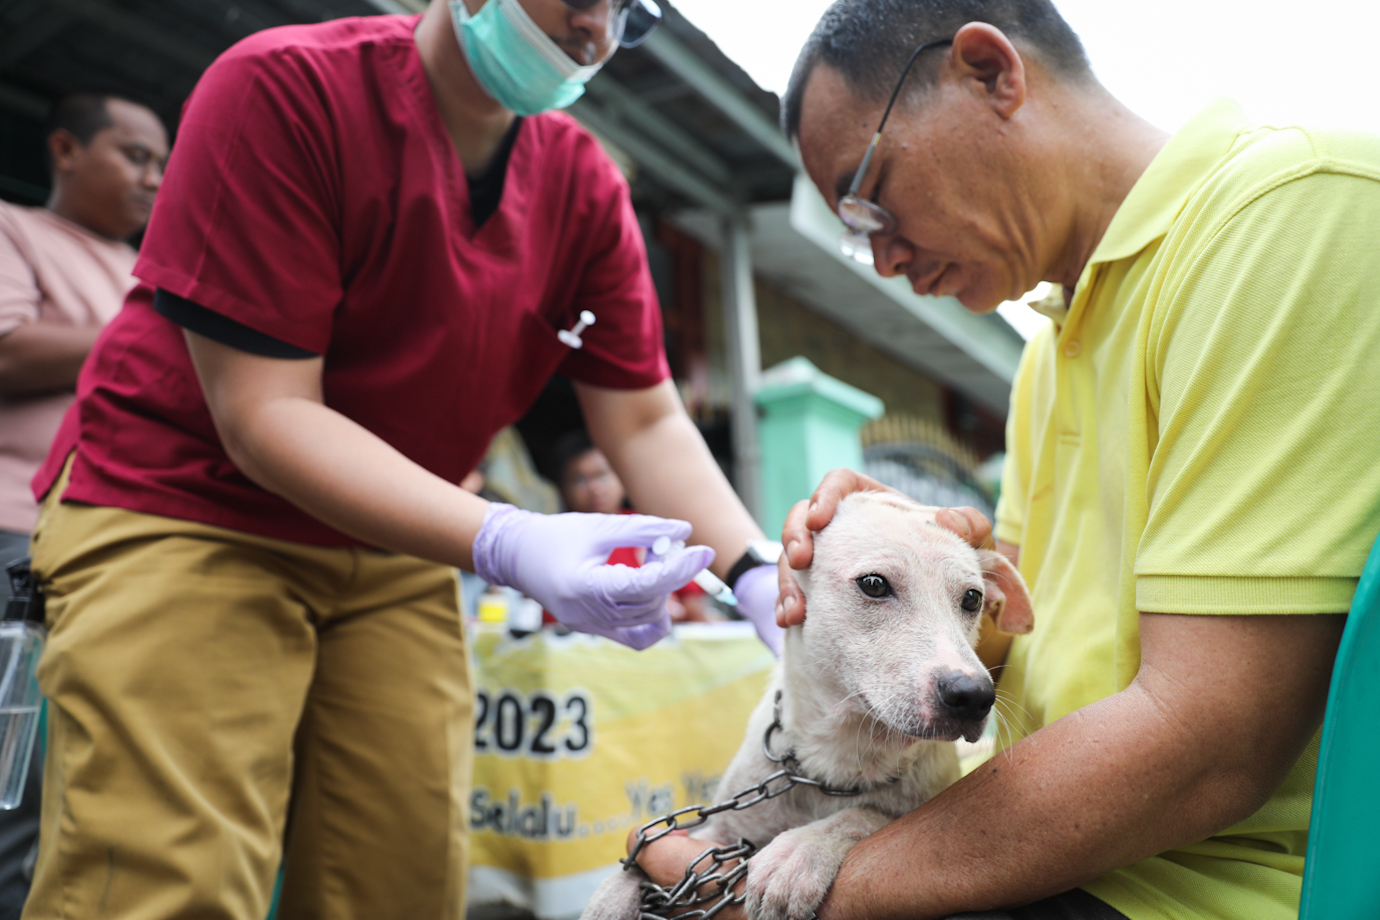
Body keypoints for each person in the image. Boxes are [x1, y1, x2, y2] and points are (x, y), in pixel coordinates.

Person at [20, 2, 783, 919]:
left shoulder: (584, 191)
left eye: (629, 11)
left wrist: (754, 574)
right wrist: (508, 538)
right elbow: (265, 415)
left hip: (396, 548)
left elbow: (645, 417)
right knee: (166, 877)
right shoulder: (286, 89)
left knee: (399, 878)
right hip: (187, 505)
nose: (596, 26)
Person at [628, 1, 1380, 919]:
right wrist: (924, 557)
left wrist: (813, 890)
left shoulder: (1292, 218)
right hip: (1053, 857)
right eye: (854, 233)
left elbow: (1210, 745)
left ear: (989, 72)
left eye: (870, 196)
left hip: (1204, 885)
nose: (879, 257)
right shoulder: (1044, 351)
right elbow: (999, 651)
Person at [0, 91, 167, 920]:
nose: (154, 177)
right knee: (15, 783)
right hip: (21, 538)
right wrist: (159, 337)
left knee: (99, 783)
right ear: (65, 149)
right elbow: (8, 347)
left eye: (163, 164)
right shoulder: (13, 229)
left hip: (135, 552)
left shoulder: (149, 274)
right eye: (135, 155)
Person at [552, 429, 711, 622]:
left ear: (621, 478)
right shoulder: (557, 538)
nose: (594, 488)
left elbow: (693, 604)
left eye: (602, 475)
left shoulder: (648, 529)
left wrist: (673, 612)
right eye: (580, 479)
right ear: (562, 488)